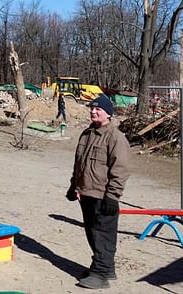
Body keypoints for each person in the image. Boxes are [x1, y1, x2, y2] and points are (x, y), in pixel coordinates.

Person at [66, 94, 130, 290]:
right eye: (92, 108)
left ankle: (101, 274)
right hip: (86, 193)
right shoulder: (87, 134)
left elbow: (121, 169)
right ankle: (106, 267)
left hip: (103, 196)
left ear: (108, 114)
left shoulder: (115, 138)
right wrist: (73, 185)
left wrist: (113, 196)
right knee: (92, 233)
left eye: (98, 109)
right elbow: (80, 163)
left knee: (103, 235)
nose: (93, 111)